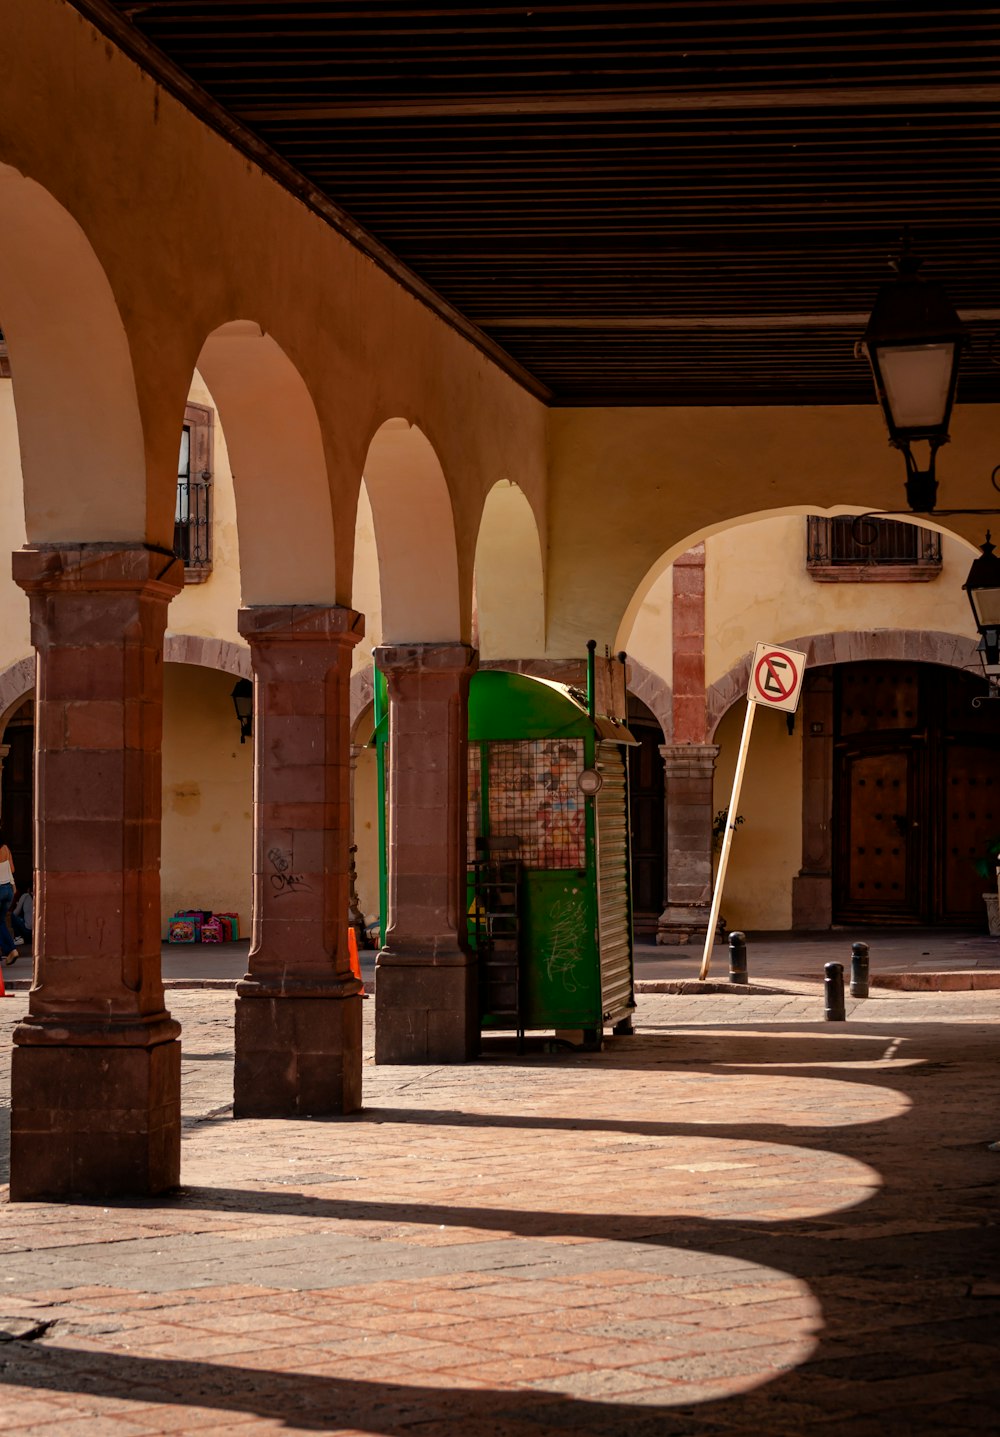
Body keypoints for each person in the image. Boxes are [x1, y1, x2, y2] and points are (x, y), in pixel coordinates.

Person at [0, 832, 17, 965]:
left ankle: (10, 949)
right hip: (8, 890)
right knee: (1, 922)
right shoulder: (6, 849)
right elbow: (12, 868)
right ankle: (9, 951)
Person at [11, 884, 32, 949]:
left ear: (28, 889)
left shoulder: (25, 896)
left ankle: (18, 937)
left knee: (13, 916)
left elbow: (15, 913)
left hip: (28, 930)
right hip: (36, 932)